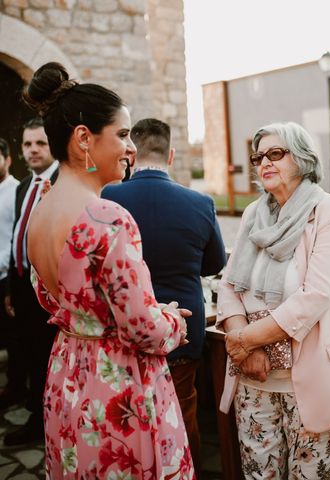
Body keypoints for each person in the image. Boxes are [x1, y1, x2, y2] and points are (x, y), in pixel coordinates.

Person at [22, 62, 194, 478]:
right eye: (121, 134)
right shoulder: (106, 217)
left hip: (67, 377)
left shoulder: (39, 212)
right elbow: (142, 330)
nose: (131, 147)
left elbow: (66, 302)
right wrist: (172, 320)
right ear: (84, 137)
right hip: (116, 390)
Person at [216, 121, 330, 479]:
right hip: (254, 374)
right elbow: (229, 285)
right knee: (258, 473)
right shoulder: (253, 214)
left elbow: (315, 295)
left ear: (303, 158)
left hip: (311, 373)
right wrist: (246, 349)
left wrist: (245, 340)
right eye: (258, 156)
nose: (264, 162)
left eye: (276, 153)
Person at [102, 117, 227, 471]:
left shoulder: (108, 197)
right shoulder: (200, 202)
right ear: (170, 155)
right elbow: (213, 263)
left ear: (131, 155)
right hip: (182, 329)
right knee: (182, 408)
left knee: (129, 414)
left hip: (126, 327)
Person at [1, 118, 59, 447]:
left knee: (45, 359)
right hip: (23, 286)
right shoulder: (25, 185)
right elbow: (16, 237)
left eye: (40, 143)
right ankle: (36, 413)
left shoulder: (62, 184)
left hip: (49, 289)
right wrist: (11, 285)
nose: (33, 150)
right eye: (27, 144)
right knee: (26, 354)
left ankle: (43, 422)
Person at [0, 138, 19, 353]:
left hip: (6, 277)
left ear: (8, 160)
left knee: (12, 339)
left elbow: (16, 237)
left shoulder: (16, 190)